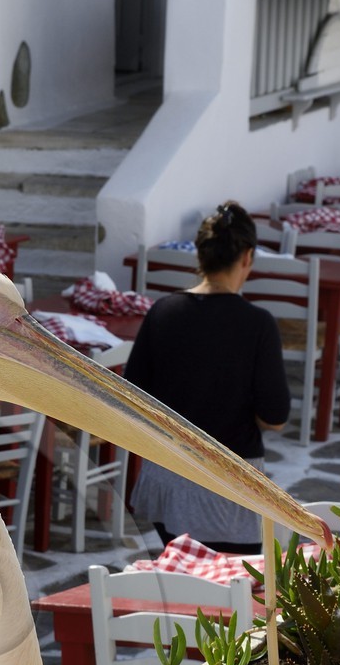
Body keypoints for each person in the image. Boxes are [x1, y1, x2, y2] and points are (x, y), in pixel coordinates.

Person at [124, 201, 292, 555]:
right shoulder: (258, 324)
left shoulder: (162, 311)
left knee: (182, 584)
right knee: (231, 600)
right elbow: (274, 417)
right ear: (247, 257)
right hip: (229, 492)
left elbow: (134, 397)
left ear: (199, 255)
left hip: (166, 485)